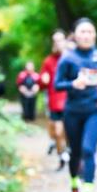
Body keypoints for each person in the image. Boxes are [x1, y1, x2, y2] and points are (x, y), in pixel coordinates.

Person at [54, 18, 97, 192]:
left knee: (89, 150)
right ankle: (74, 188)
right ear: (75, 35)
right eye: (82, 32)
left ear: (95, 35)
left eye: (90, 32)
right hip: (73, 112)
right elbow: (57, 84)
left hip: (94, 111)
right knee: (76, 153)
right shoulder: (68, 58)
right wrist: (73, 84)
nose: (86, 36)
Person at [40, 30, 69, 170]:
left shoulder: (71, 58)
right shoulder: (48, 61)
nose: (58, 43)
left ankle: (71, 154)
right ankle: (62, 155)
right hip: (55, 102)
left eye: (60, 40)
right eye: (55, 40)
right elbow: (42, 82)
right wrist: (43, 80)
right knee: (57, 132)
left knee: (70, 132)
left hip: (71, 102)